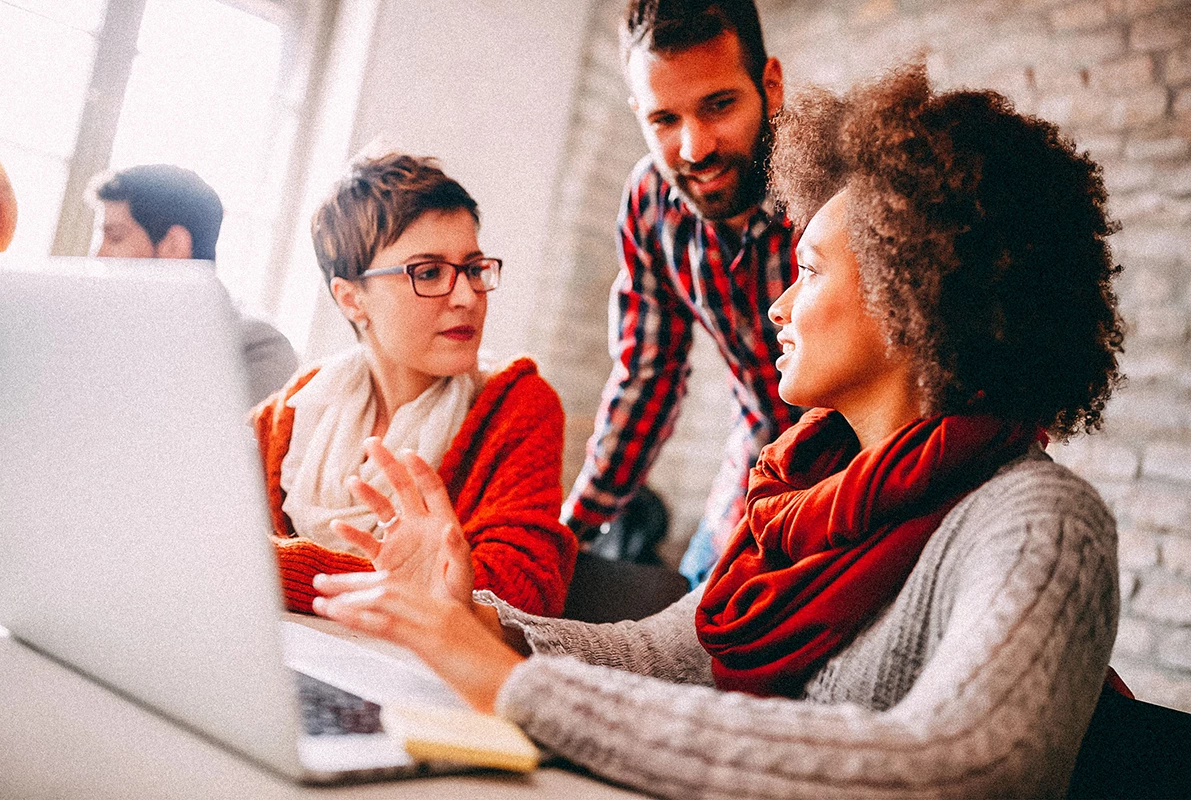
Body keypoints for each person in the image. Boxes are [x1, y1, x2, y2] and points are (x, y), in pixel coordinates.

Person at [310, 65, 1127, 798]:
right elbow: (667, 654)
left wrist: (513, 685)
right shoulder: (803, 494)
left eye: (807, 272)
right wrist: (476, 620)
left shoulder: (1039, 522)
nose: (776, 306)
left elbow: (958, 768)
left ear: (912, 293)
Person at [250, 152, 578, 618]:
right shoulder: (294, 411)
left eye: (473, 268)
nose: (467, 297)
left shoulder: (516, 407)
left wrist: (273, 569)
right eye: (428, 273)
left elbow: (525, 595)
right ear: (351, 298)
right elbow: (203, 533)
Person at [562, 0, 799, 587]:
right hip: (762, 445)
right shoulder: (649, 200)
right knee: (697, 597)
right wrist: (569, 535)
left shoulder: (834, 180)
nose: (694, 149)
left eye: (718, 106)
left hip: (868, 454)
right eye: (665, 120)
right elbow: (647, 376)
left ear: (770, 85)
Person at [89, 164, 299, 407]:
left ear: (174, 246)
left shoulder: (257, 350)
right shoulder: (106, 330)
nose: (99, 254)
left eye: (115, 237)